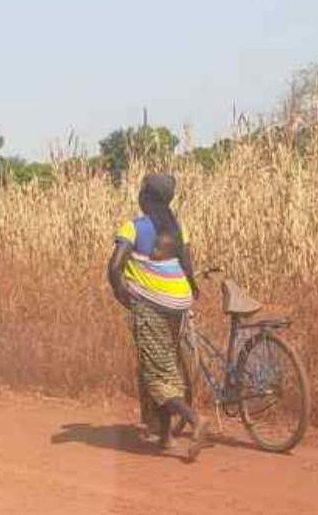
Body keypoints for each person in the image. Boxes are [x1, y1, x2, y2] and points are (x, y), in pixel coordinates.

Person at [107, 173, 206, 461]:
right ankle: (165, 437)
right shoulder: (178, 228)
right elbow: (187, 265)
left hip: (152, 305)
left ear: (146, 197)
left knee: (155, 375)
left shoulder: (134, 227)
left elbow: (114, 268)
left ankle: (195, 420)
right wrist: (193, 292)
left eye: (141, 191)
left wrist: (126, 298)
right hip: (178, 302)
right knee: (167, 364)